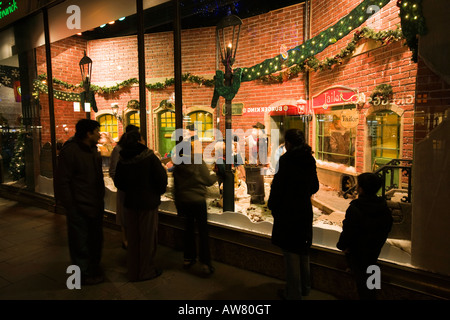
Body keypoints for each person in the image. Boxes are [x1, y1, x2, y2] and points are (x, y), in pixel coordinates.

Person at [268, 129, 319, 300]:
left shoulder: (286, 160)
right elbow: (315, 187)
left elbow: (277, 187)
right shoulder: (309, 159)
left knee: (291, 254)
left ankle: (293, 294)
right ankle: (305, 288)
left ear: (288, 143)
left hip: (288, 211)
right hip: (304, 210)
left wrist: (273, 206)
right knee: (303, 251)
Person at [54, 119, 105, 285]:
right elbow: (62, 181)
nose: (100, 134)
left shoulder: (93, 150)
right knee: (79, 243)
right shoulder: (70, 151)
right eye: (97, 131)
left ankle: (93, 268)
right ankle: (80, 276)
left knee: (95, 240)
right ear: (88, 133)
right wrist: (71, 206)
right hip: (78, 206)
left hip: (95, 204)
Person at [114, 130, 168, 282]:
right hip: (147, 203)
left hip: (130, 203)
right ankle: (146, 271)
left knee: (133, 238)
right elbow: (161, 178)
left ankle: (133, 270)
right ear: (139, 140)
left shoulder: (123, 158)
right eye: (143, 138)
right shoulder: (148, 156)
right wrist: (155, 192)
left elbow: (118, 182)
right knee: (147, 238)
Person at [337, 172, 393, 300]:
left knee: (362, 286)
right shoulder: (383, 207)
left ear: (360, 189)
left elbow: (348, 231)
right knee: (372, 286)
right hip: (375, 251)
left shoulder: (356, 208)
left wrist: (342, 246)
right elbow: (387, 226)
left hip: (358, 254)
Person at [173, 144, 217, 276]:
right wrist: (218, 176)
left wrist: (178, 204)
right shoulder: (198, 162)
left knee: (188, 230)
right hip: (198, 201)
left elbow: (176, 187)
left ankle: (188, 259)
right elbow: (208, 181)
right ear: (191, 151)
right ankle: (205, 264)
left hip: (185, 201)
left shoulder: (178, 166)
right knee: (203, 232)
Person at [109, 124, 139, 250]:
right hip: (124, 188)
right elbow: (113, 170)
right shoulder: (119, 149)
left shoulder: (137, 149)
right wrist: (121, 183)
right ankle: (125, 239)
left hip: (136, 189)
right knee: (124, 215)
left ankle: (132, 239)